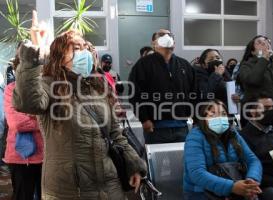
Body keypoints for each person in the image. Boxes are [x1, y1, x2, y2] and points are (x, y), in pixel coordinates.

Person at [12, 11, 146, 199]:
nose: (83, 52)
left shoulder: (97, 87)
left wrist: (133, 165)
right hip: (67, 191)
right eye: (75, 48)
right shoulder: (49, 85)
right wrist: (34, 51)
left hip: (109, 188)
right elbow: (27, 102)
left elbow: (116, 133)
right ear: (59, 55)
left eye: (84, 47)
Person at [184, 99, 262, 200]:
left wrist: (251, 181)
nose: (219, 118)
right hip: (202, 194)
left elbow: (253, 160)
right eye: (213, 114)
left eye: (223, 114)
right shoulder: (195, 136)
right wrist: (232, 187)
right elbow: (197, 173)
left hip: (234, 191)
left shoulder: (233, 134)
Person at [128, 29, 195, 144]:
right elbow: (135, 93)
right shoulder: (143, 65)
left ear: (174, 42)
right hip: (155, 128)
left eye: (169, 35)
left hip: (181, 126)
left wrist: (194, 116)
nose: (167, 37)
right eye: (162, 35)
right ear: (153, 44)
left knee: (182, 160)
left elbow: (194, 91)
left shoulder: (184, 65)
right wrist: (144, 119)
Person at [3, 44, 43, 200]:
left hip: (45, 157)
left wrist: (28, 115)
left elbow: (53, 121)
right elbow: (16, 124)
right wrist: (38, 117)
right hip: (19, 158)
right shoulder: (11, 89)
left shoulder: (44, 89)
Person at [238, 35, 273, 132]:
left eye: (266, 41)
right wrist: (264, 58)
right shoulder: (246, 66)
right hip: (257, 116)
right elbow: (253, 80)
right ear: (252, 51)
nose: (264, 43)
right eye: (259, 42)